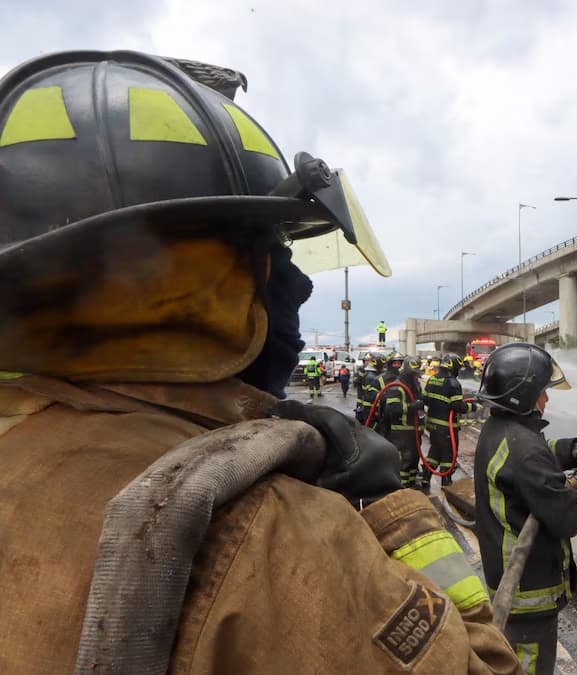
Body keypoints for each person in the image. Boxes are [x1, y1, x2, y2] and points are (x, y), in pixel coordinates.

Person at [0, 51, 518, 674]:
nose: (293, 283)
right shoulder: (274, 536)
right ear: (208, 279)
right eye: (274, 251)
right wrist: (394, 510)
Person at [473, 343, 577, 675]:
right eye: (542, 392)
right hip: (529, 590)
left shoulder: (498, 431)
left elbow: (530, 452)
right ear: (525, 395)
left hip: (507, 579)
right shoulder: (525, 452)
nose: (546, 400)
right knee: (529, 666)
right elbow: (566, 517)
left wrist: (568, 450)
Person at [422, 353, 476, 486]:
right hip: (447, 427)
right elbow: (457, 406)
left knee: (435, 451)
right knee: (448, 455)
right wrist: (472, 407)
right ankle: (446, 481)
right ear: (452, 367)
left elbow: (426, 400)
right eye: (457, 368)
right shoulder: (453, 383)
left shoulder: (432, 379)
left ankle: (425, 478)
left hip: (433, 426)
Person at [378, 355, 424, 488]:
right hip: (401, 431)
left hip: (414, 431)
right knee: (405, 460)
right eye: (413, 375)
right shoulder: (396, 387)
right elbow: (392, 409)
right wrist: (412, 407)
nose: (415, 377)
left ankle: (411, 483)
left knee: (414, 458)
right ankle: (402, 487)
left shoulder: (416, 385)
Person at [354, 358, 382, 424]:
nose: (367, 362)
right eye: (366, 360)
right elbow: (356, 382)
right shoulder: (362, 370)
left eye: (368, 360)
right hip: (362, 400)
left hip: (364, 400)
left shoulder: (370, 373)